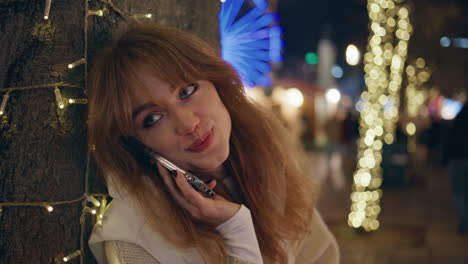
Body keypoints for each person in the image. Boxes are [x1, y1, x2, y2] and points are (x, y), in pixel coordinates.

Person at [87, 23, 339, 263]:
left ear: (217, 84)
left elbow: (322, 255)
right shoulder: (132, 240)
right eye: (153, 118)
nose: (187, 124)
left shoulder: (269, 163)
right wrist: (236, 228)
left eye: (186, 92)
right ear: (136, 144)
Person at [444, 103, 468, 234]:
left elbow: (450, 140)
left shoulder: (459, 122)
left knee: (460, 191)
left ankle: (464, 221)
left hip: (458, 158)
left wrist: (445, 159)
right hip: (459, 157)